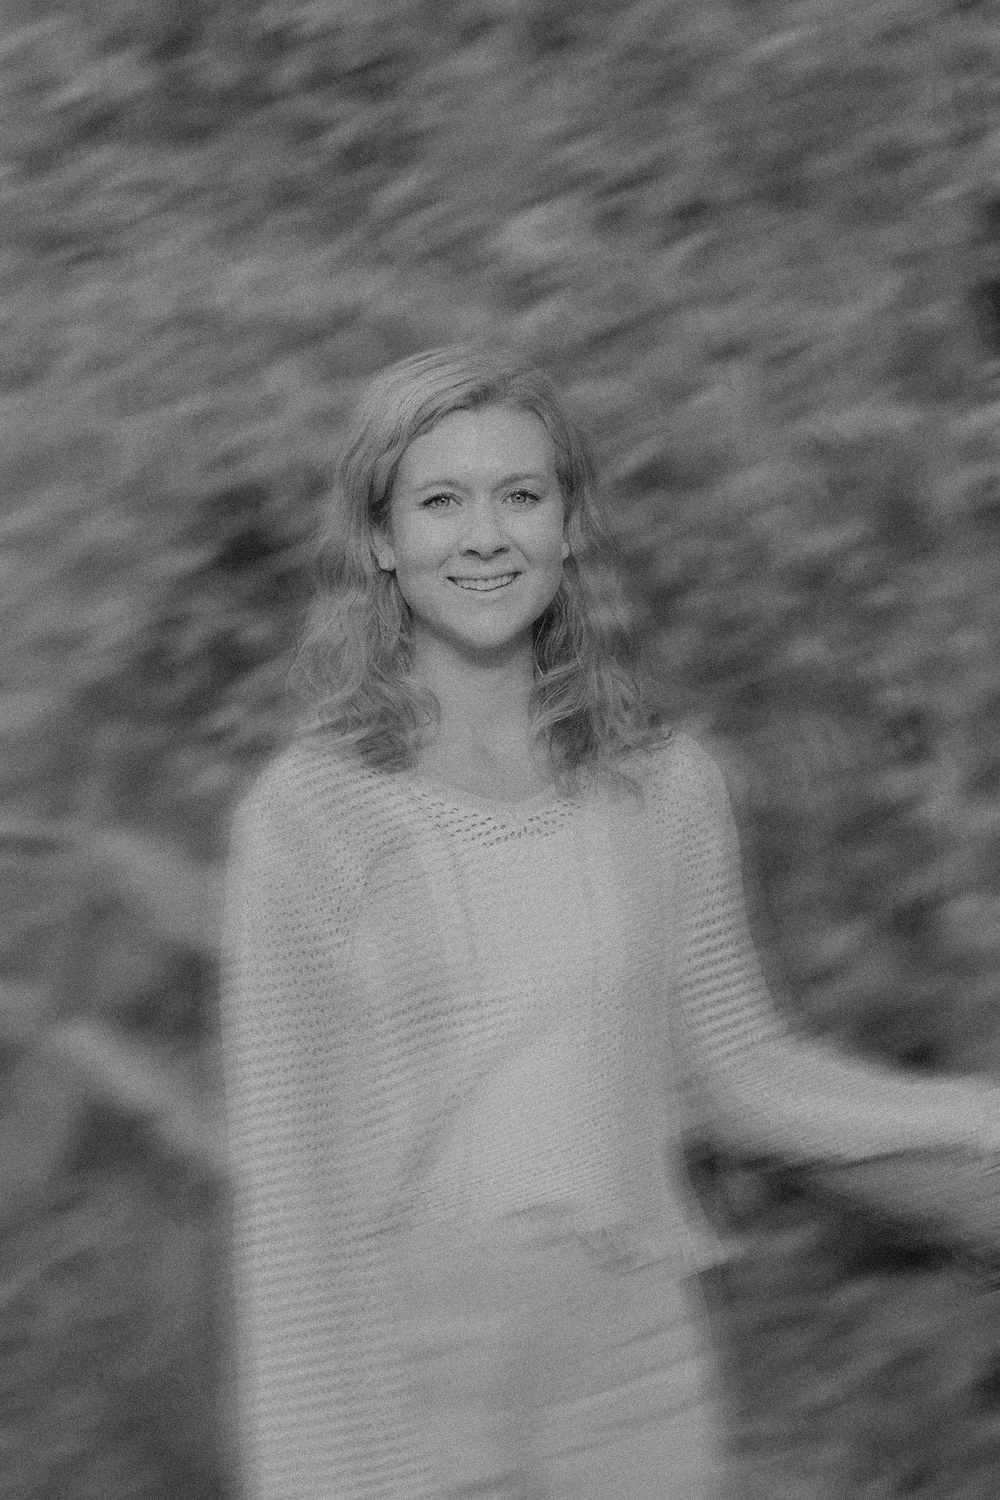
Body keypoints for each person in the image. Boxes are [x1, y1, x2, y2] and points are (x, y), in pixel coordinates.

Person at [220, 345, 1000, 1500]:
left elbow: (744, 1074)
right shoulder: (308, 816)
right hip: (417, 1362)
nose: (484, 536)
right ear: (382, 539)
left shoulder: (664, 785)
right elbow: (292, 1202)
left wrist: (978, 1120)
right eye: (441, 501)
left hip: (632, 1354)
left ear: (568, 525)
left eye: (519, 496)